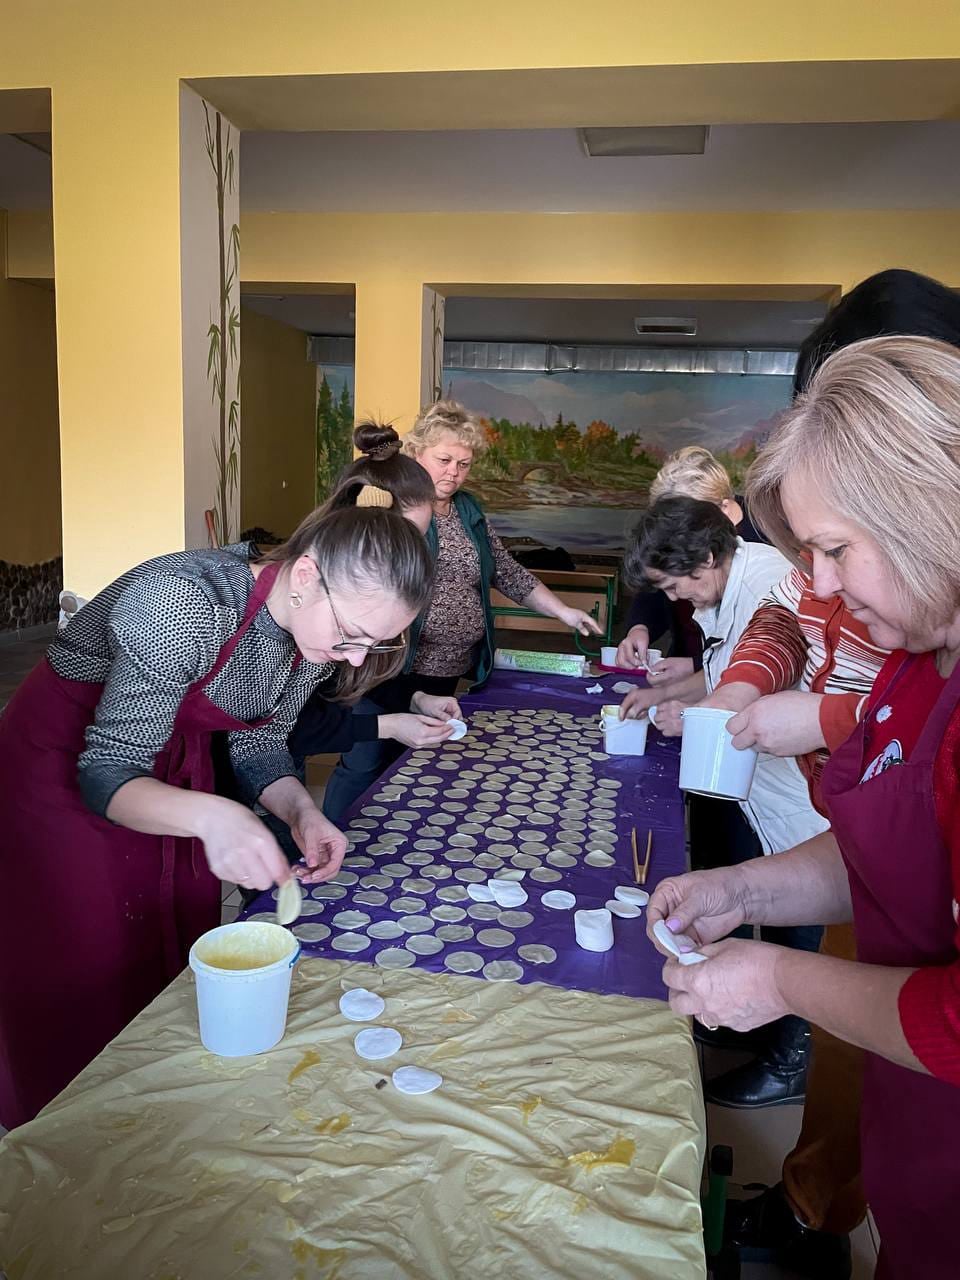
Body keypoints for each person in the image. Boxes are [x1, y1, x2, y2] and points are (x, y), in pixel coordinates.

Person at [650, 335, 960, 1280]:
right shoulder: (917, 661)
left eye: (836, 550)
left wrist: (779, 983)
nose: (819, 585)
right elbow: (876, 849)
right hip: (919, 1153)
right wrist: (745, 889)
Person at [0, 504, 435, 1128]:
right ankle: (68, 1126)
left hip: (173, 769)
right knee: (87, 944)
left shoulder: (307, 638)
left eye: (374, 644)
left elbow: (259, 746)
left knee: (172, 923)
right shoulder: (180, 602)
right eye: (352, 635)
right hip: (65, 770)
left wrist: (303, 813)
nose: (352, 659)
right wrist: (212, 817)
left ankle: (155, 1102)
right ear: (306, 575)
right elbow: (107, 773)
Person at [322, 400, 602, 821]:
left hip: (445, 668)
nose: (454, 471)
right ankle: (332, 838)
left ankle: (385, 847)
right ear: (417, 454)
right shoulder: (395, 508)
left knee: (412, 766)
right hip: (390, 665)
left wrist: (563, 611)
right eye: (445, 459)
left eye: (464, 463)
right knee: (365, 762)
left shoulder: (468, 510)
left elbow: (506, 571)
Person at [616, 446, 765, 679]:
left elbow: (765, 651)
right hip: (684, 662)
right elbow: (659, 582)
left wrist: (697, 666)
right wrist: (639, 626)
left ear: (723, 509)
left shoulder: (767, 545)